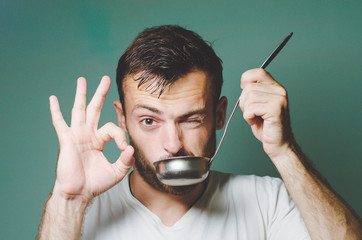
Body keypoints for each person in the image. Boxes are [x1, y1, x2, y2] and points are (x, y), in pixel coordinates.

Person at [37, 25, 361, 239]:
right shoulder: (79, 214)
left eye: (190, 119)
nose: (172, 145)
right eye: (150, 121)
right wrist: (69, 200)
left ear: (220, 115)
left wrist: (285, 151)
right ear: (123, 120)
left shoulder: (267, 201)